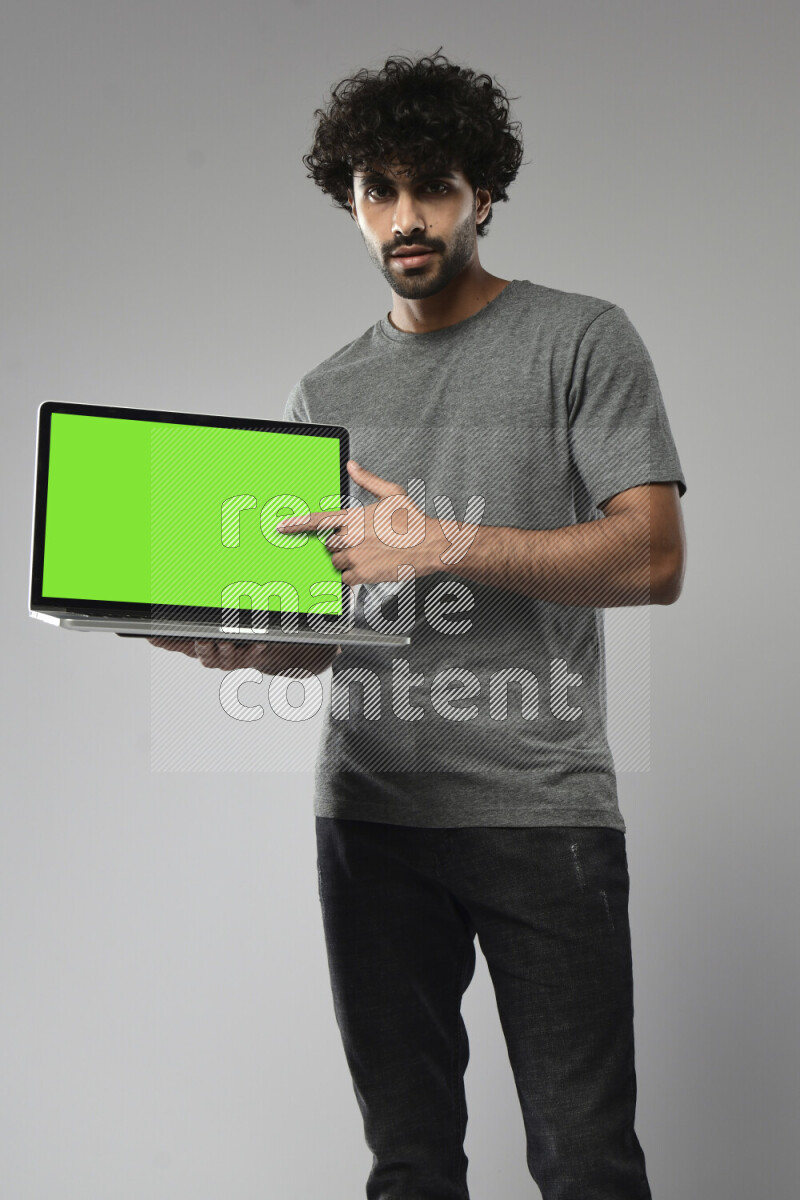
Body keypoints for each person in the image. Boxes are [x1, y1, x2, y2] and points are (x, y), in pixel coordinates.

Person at [151, 48, 686, 1200]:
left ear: (480, 192)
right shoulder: (325, 393)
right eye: (375, 191)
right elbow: (327, 624)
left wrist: (441, 541)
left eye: (430, 186)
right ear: (348, 201)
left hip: (541, 813)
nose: (404, 215)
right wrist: (243, 644)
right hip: (373, 815)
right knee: (407, 1167)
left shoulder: (580, 339)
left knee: (586, 1160)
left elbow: (652, 557)